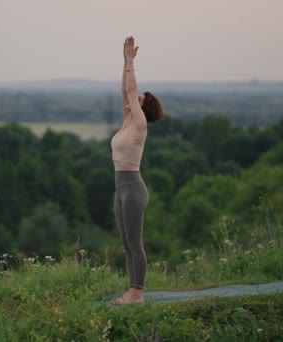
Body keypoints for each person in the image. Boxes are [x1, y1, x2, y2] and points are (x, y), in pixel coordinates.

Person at [110, 36, 165, 305]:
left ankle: (137, 292)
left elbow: (131, 92)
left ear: (143, 107)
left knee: (135, 242)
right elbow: (126, 92)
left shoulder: (140, 125)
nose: (135, 97)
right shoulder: (127, 122)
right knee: (125, 242)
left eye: (140, 98)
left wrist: (132, 62)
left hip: (133, 189)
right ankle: (132, 290)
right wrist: (124, 63)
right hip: (120, 188)